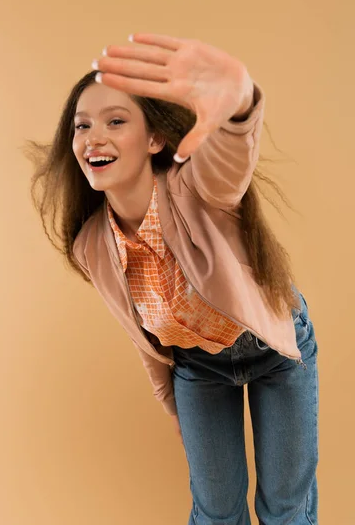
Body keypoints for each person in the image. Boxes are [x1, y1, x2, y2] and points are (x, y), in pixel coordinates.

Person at [24, 33, 319, 524]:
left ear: (155, 138)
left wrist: (240, 105)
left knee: (285, 511)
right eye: (82, 126)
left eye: (116, 121)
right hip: (198, 369)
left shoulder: (195, 187)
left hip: (275, 352)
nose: (94, 136)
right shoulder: (92, 244)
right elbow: (142, 338)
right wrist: (174, 408)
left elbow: (231, 161)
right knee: (215, 513)